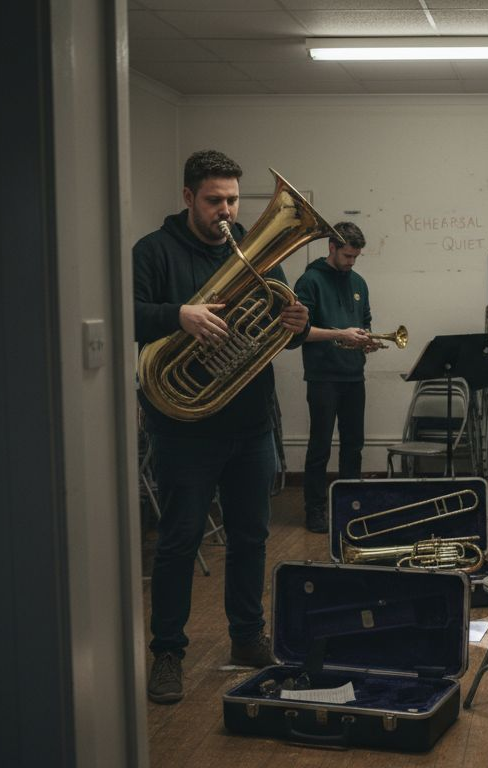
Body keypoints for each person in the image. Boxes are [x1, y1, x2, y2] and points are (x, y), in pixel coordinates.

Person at [133, 149, 310, 704]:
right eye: (215, 200)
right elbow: (122, 313)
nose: (226, 211)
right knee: (179, 541)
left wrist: (296, 323)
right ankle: (167, 651)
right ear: (189, 197)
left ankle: (247, 636)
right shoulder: (153, 251)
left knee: (251, 537)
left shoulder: (256, 251)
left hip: (250, 423)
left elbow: (281, 326)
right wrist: (177, 315)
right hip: (184, 427)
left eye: (232, 200)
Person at [294, 222, 378, 533]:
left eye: (355, 257)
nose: (351, 262)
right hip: (323, 376)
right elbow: (300, 332)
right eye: (347, 256)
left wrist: (367, 341)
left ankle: (349, 506)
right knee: (320, 446)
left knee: (354, 445)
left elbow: (365, 321)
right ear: (332, 247)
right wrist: (340, 334)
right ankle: (314, 510)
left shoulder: (359, 282)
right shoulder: (310, 281)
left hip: (354, 375)